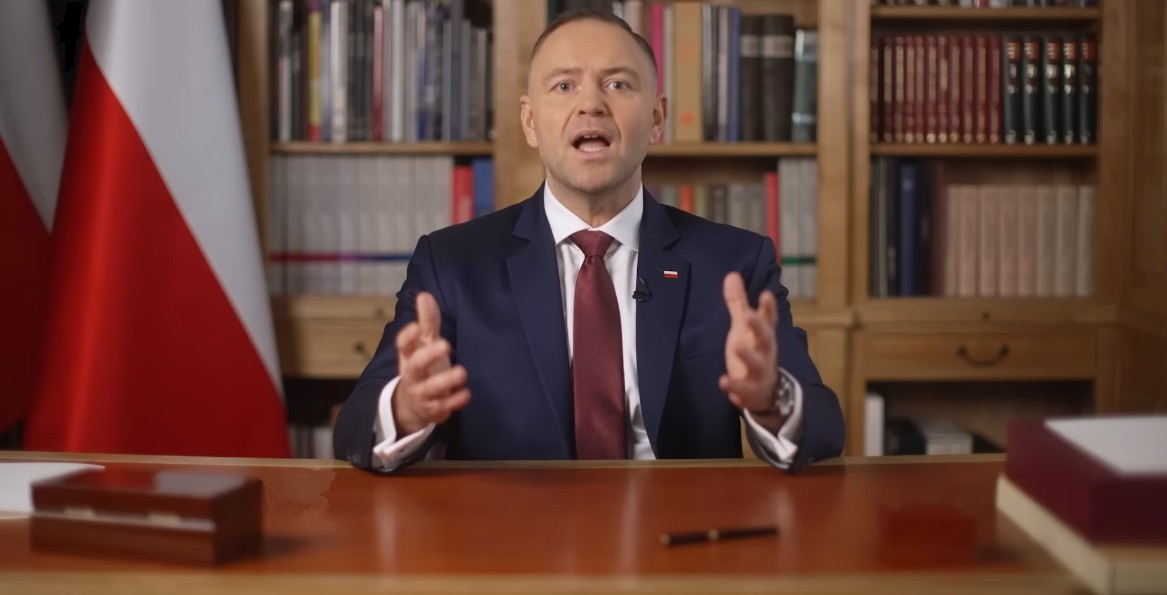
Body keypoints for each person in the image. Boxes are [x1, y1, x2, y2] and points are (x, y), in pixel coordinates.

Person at [333, 9, 845, 473]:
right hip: (511, 537)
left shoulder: (735, 263)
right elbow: (354, 432)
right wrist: (407, 408)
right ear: (530, 122)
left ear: (657, 119)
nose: (591, 104)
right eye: (564, 86)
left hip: (680, 536)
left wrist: (771, 399)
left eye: (618, 84)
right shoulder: (451, 264)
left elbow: (825, 428)